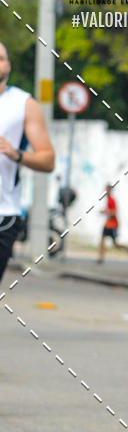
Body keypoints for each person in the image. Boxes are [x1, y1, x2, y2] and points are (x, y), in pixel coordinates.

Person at [0, 41, 54, 282]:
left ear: (8, 65)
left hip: (4, 213)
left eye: (1, 58)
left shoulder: (24, 104)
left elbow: (48, 159)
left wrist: (16, 154)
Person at [97, 184, 128, 263]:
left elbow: (114, 212)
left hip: (113, 225)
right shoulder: (108, 200)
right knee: (102, 240)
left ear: (110, 191)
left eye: (107, 190)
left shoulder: (112, 200)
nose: (105, 192)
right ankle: (101, 258)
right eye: (105, 190)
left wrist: (105, 211)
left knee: (116, 244)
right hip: (108, 224)